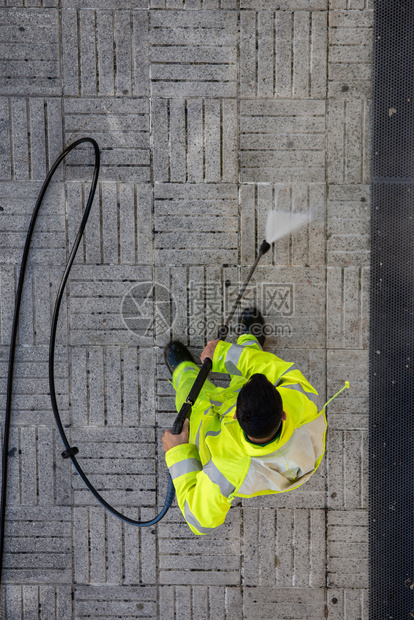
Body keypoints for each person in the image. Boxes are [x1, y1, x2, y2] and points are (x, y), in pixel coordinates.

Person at [161, 308, 326, 536]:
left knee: (193, 399)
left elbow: (198, 519)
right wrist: (221, 355)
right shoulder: (298, 400)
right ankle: (249, 340)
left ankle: (184, 371)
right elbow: (267, 367)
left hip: (216, 431)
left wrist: (178, 453)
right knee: (253, 360)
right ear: (283, 413)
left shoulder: (228, 469)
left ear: (235, 416)